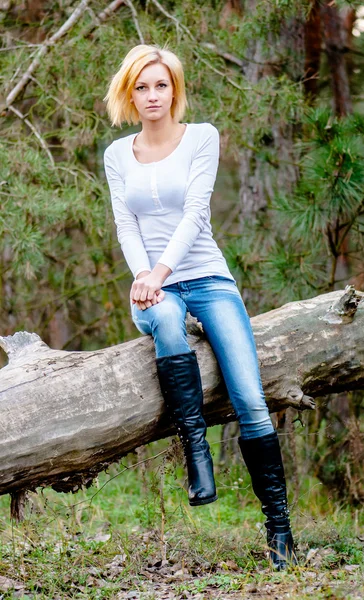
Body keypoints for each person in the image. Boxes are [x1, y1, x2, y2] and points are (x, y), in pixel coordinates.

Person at [103, 43, 297, 570]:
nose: (151, 95)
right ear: (129, 93)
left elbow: (194, 215)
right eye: (141, 86)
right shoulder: (117, 154)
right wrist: (146, 278)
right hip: (153, 286)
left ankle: (279, 530)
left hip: (208, 279)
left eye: (160, 84)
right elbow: (126, 224)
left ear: (175, 89)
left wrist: (161, 272)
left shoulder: (202, 139)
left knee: (251, 399)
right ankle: (196, 450)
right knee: (164, 317)